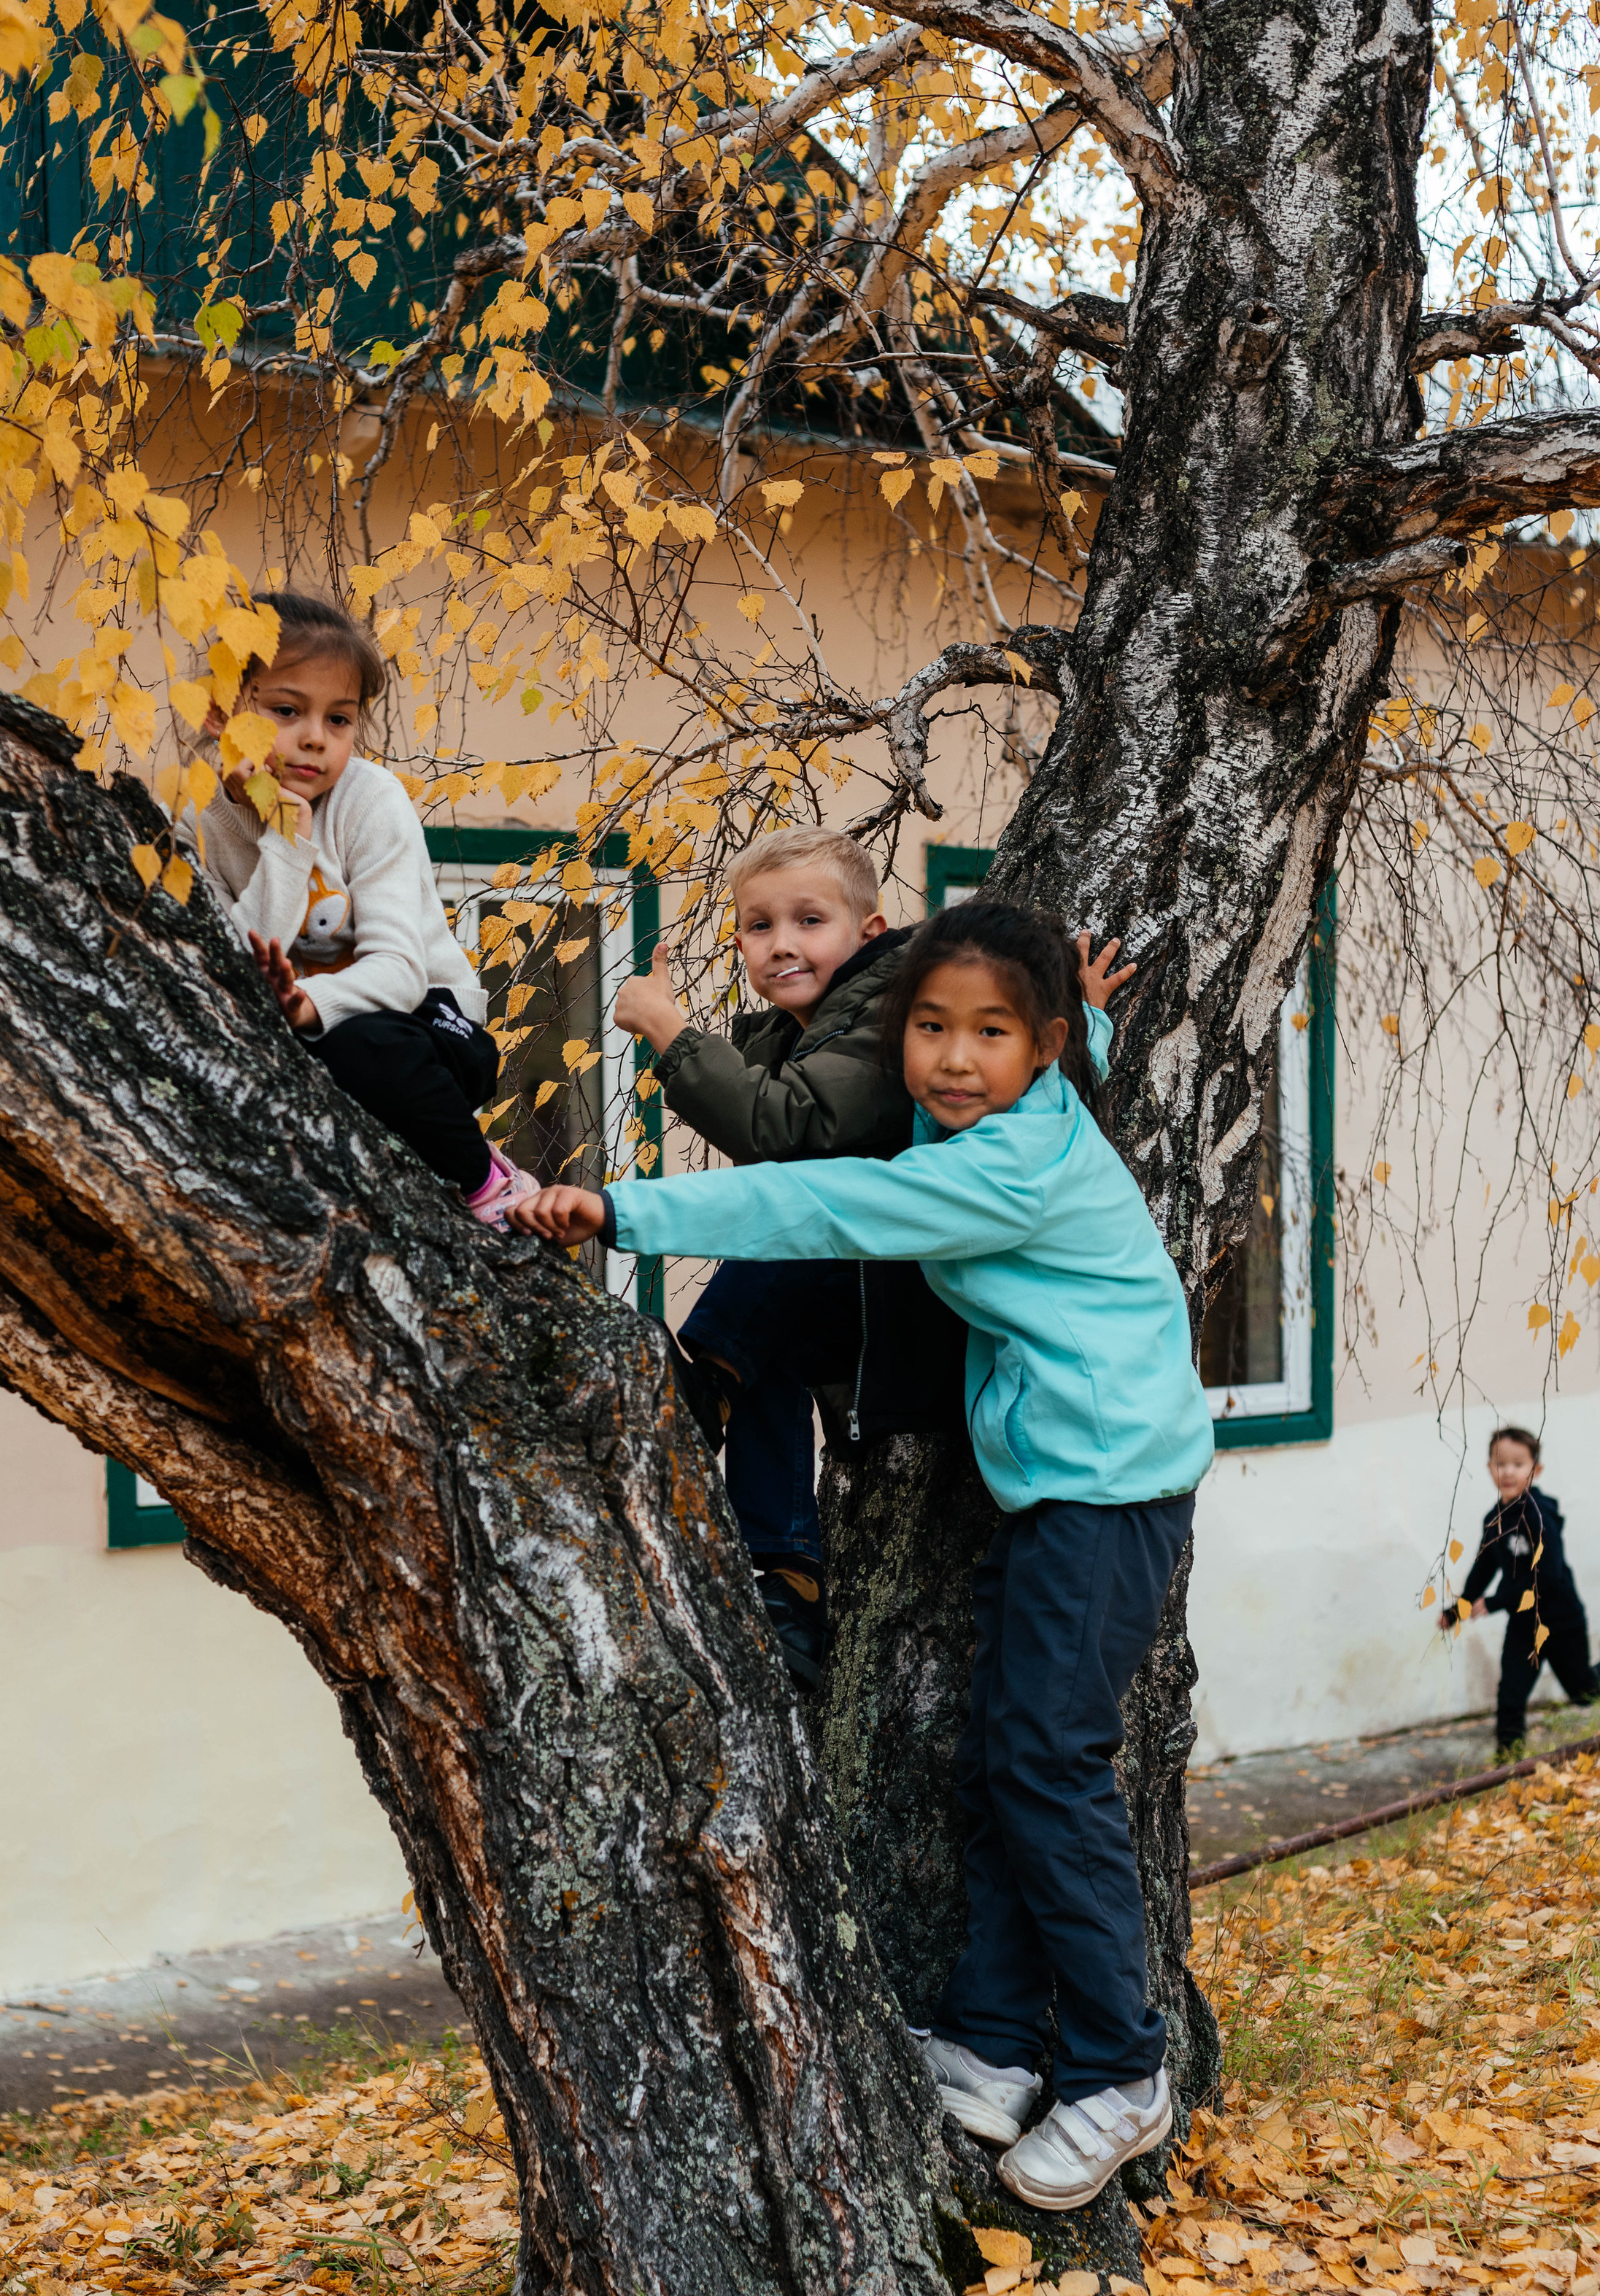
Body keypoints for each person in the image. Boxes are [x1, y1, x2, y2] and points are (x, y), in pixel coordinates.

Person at [512, 900, 1216, 2213]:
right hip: (1063, 1485)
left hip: (1107, 1494)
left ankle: (1123, 2069)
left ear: (1041, 1047)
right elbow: (971, 1101)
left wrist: (624, 1210)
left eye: (992, 1034)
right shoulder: (1016, 1114)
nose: (955, 1059)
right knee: (1011, 1763)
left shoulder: (998, 1169)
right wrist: (1091, 1025)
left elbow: (820, 1201)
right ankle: (995, 2045)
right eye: (933, 1030)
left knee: (1047, 1770)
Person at [614, 827, 1131, 1689]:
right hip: (864, 1311)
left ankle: (703, 1386)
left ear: (870, 929)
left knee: (803, 1202)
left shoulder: (894, 1017)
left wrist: (668, 1030)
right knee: (768, 1335)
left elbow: (786, 1131)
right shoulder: (793, 1035)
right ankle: (784, 1575)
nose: (781, 942)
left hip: (917, 1314)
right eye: (757, 925)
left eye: (809, 919)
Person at [189, 589, 536, 1228]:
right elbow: (230, 965)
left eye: (339, 720)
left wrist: (306, 1002)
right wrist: (286, 842)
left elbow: (401, 971)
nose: (315, 739)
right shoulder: (199, 823)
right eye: (286, 710)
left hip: (431, 1026)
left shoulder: (370, 799)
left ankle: (486, 1179)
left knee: (363, 1044)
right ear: (218, 713)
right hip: (305, 1035)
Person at [1439, 1424, 1600, 1753]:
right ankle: (1508, 1765)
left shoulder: (1539, 1515)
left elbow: (1547, 1575)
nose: (1508, 1471)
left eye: (1518, 1464)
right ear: (1490, 1468)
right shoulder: (1495, 1519)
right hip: (1524, 1625)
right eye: (1500, 1463)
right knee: (1510, 1695)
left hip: (1561, 1620)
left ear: (1536, 1470)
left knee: (1584, 1694)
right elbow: (1484, 1568)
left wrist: (1495, 1602)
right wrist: (1457, 1610)